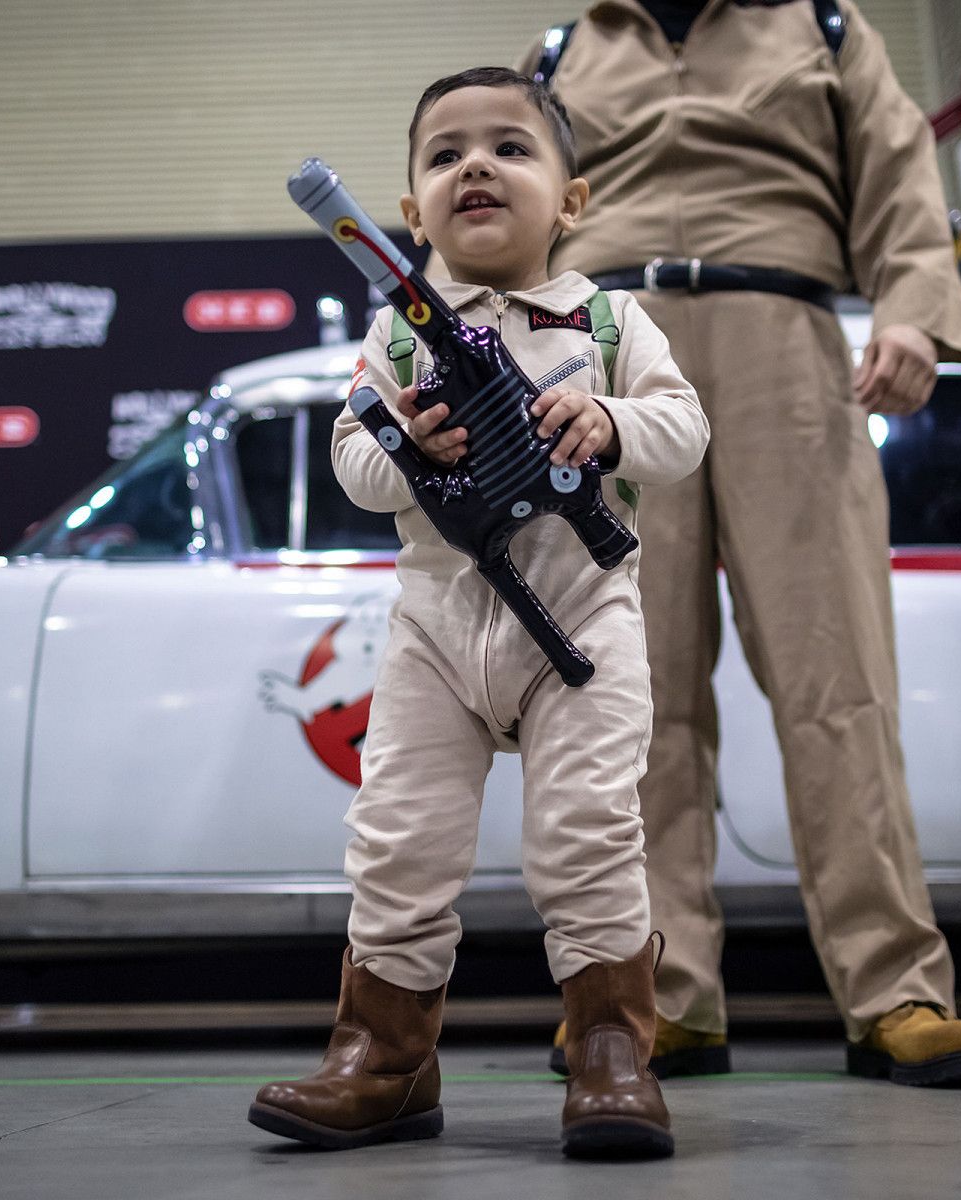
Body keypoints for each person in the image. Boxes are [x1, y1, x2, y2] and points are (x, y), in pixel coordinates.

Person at [518, 0, 961, 1087]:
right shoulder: (564, 49)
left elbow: (898, 173)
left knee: (839, 678)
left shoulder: (825, 28)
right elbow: (508, 191)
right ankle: (656, 993)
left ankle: (897, 989)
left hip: (785, 337)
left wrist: (912, 310)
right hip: (600, 353)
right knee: (633, 693)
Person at [248, 67, 709, 1158]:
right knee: (398, 842)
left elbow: (684, 429)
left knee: (586, 838)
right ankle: (385, 1059)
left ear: (572, 200)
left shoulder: (608, 319)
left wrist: (608, 421)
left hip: (583, 620)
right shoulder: (400, 335)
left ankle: (610, 1050)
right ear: (412, 214)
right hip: (436, 629)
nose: (477, 168)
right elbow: (355, 460)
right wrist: (407, 445)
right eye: (447, 155)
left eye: (510, 147)